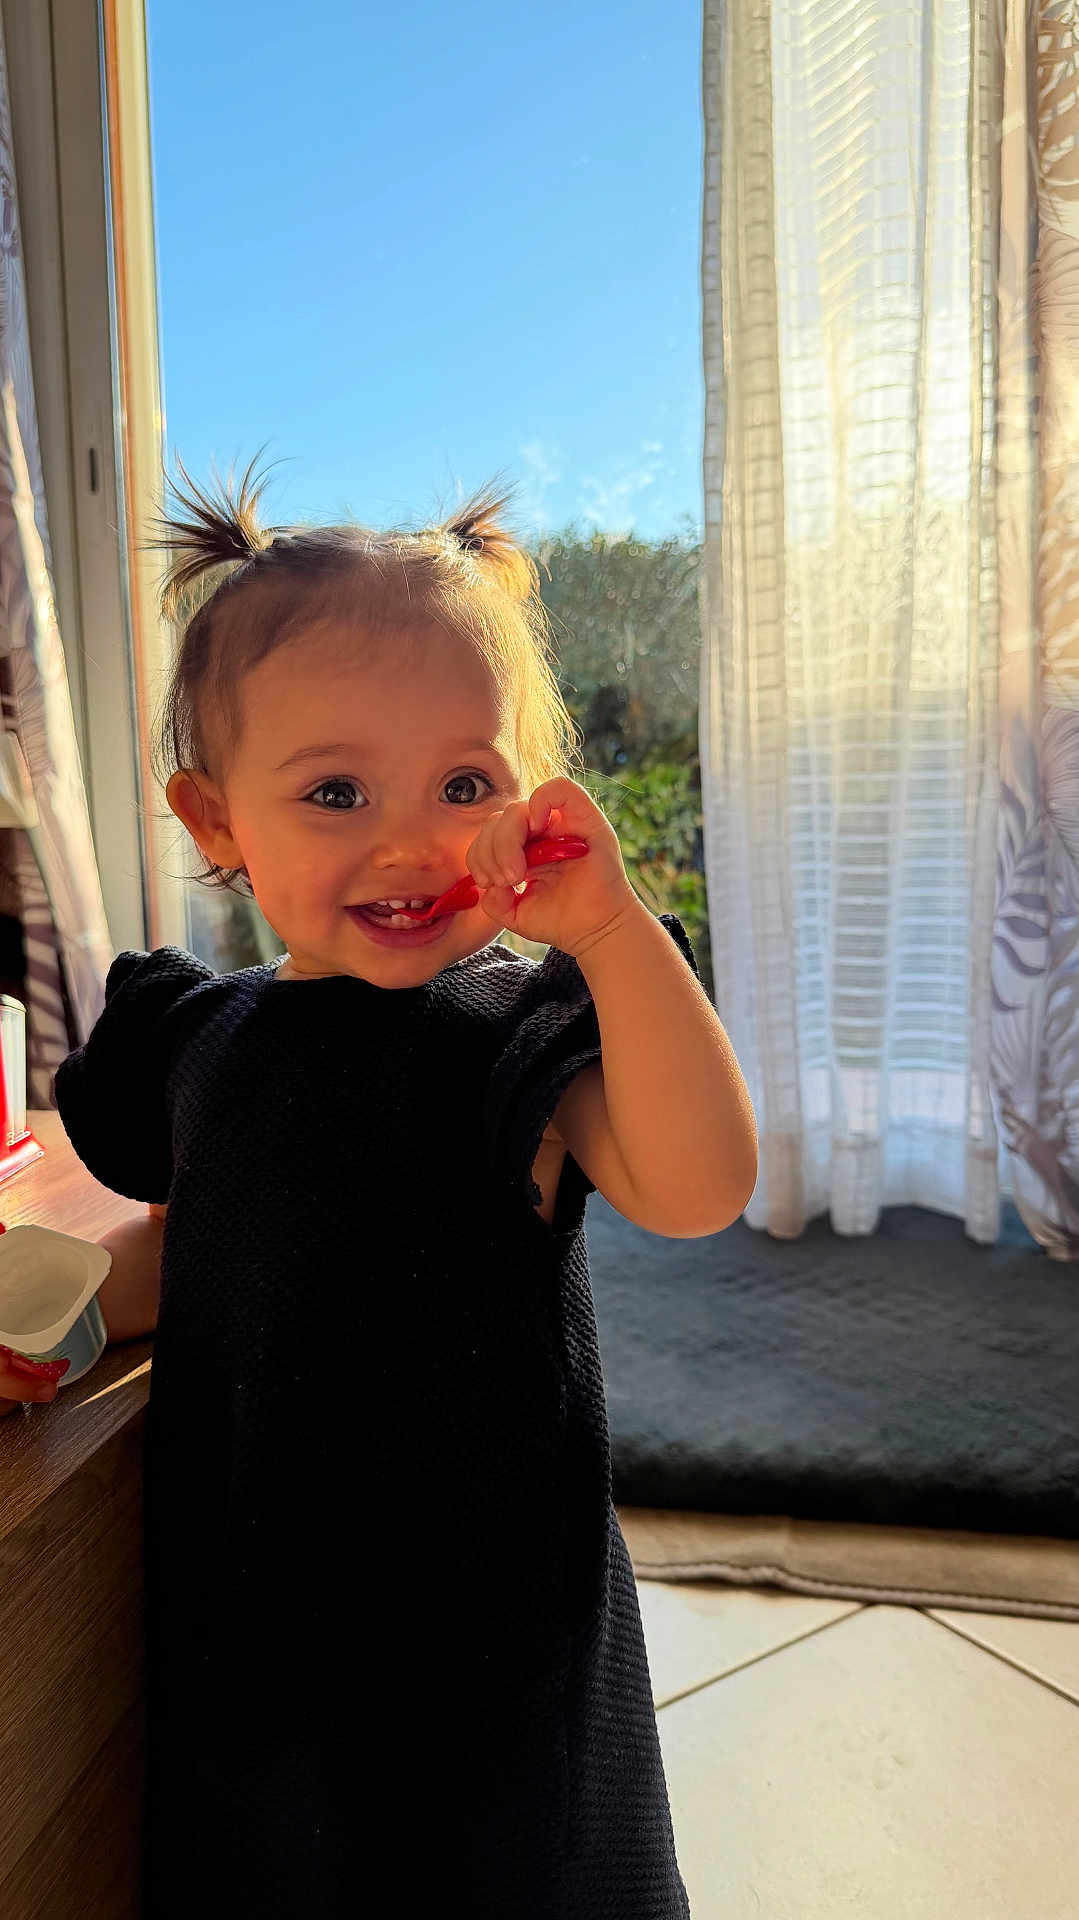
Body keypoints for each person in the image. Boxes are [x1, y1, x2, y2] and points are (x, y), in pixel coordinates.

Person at [39, 456, 757, 1915]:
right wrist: (53, 1323)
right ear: (212, 820)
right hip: (261, 1629)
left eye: (464, 782)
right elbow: (205, 1244)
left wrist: (616, 939)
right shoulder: (197, 1036)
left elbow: (699, 1187)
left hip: (493, 1648)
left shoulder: (514, 1026)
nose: (409, 837)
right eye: (336, 790)